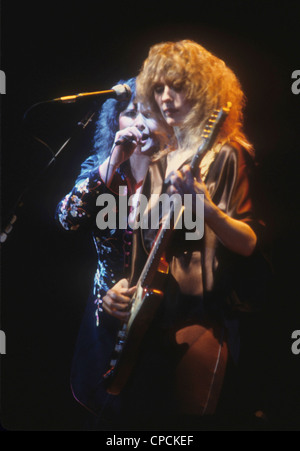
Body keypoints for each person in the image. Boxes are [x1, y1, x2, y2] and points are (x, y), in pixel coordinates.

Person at [102, 40, 269, 430]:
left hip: (201, 321)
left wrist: (206, 207)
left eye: (175, 87)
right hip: (152, 318)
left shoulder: (227, 153)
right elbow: (142, 247)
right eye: (158, 89)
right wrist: (119, 288)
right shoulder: (159, 161)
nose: (164, 98)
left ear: (202, 89)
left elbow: (248, 243)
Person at [55, 77, 165, 425]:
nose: (136, 122)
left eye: (147, 114)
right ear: (114, 120)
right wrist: (114, 159)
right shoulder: (104, 171)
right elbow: (68, 218)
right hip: (104, 319)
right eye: (129, 113)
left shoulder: (177, 176)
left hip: (158, 320)